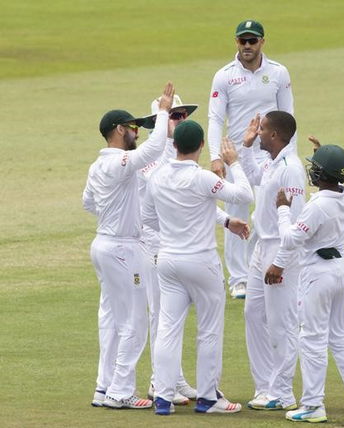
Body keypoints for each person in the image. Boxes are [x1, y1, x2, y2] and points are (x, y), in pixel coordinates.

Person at [142, 120, 252, 415]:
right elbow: (245, 196)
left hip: (168, 262)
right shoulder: (204, 179)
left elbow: (150, 219)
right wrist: (235, 163)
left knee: (167, 328)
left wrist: (223, 221)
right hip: (202, 263)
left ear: (174, 145)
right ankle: (207, 398)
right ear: (201, 146)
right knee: (209, 330)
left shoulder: (158, 176)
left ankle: (163, 398)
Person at [83, 82, 174, 409]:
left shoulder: (97, 166)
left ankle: (103, 387)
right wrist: (162, 114)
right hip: (123, 250)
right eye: (134, 127)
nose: (138, 132)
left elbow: (88, 203)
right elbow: (154, 149)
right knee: (134, 321)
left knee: (111, 318)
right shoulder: (116, 162)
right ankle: (120, 392)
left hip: (104, 244)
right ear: (120, 130)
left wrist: (116, 214)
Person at [276, 144, 344, 422]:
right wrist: (329, 160)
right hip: (341, 271)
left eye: (316, 167)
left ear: (321, 174)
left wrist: (283, 210)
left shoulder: (318, 206)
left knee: (311, 339)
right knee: (342, 336)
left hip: (317, 274)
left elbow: (289, 239)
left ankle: (312, 405)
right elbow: (330, 187)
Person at [207, 19, 295, 299]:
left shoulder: (279, 73)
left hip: (270, 154)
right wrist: (214, 156)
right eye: (242, 41)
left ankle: (265, 265)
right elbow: (215, 117)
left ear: (262, 42)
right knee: (237, 215)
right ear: (236, 42)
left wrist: (288, 154)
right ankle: (238, 278)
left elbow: (289, 115)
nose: (247, 46)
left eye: (252, 41)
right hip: (236, 156)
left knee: (269, 213)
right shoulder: (224, 75)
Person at [238, 111, 305, 411]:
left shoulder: (291, 168)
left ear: (276, 135)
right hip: (261, 246)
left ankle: (283, 392)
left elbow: (296, 220)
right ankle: (265, 385)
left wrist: (280, 261)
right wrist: (246, 146)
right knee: (253, 314)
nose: (259, 132)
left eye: (263, 129)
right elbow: (255, 177)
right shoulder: (272, 162)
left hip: (281, 250)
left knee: (281, 322)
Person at [139, 95, 199, 405]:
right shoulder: (151, 156)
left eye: (183, 114)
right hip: (154, 245)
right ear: (158, 122)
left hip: (176, 245)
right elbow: (153, 193)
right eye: (174, 116)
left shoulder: (176, 154)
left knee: (174, 315)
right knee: (161, 315)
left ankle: (174, 378)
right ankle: (157, 382)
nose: (181, 119)